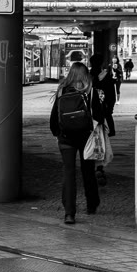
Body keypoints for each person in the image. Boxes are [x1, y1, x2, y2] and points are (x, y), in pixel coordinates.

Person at [48, 53, 100, 223]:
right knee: (88, 171)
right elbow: (100, 115)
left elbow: (54, 117)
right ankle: (92, 204)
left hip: (66, 138)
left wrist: (57, 134)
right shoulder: (90, 91)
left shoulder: (62, 90)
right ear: (86, 75)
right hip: (87, 138)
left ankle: (69, 213)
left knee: (68, 173)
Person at [93, 56, 119, 137]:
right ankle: (111, 131)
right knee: (107, 114)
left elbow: (96, 84)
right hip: (109, 97)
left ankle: (104, 131)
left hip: (104, 98)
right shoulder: (105, 73)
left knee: (105, 114)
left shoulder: (95, 73)